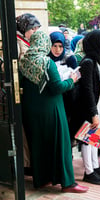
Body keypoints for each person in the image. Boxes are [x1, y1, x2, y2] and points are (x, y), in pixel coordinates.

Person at [19, 30, 88, 193]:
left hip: (30, 111)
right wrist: (72, 79)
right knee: (61, 143)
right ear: (45, 44)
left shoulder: (23, 61)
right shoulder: (46, 62)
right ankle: (67, 183)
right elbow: (57, 87)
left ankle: (42, 179)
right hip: (51, 108)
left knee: (38, 144)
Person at [69, 30, 100, 184]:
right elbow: (86, 89)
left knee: (95, 137)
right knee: (87, 139)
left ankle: (95, 166)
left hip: (99, 105)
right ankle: (89, 171)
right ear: (96, 42)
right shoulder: (88, 62)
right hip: (89, 107)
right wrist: (92, 113)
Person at [16, 12, 41, 175]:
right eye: (33, 28)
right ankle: (26, 164)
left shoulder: (28, 41)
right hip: (22, 91)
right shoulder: (17, 43)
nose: (36, 31)